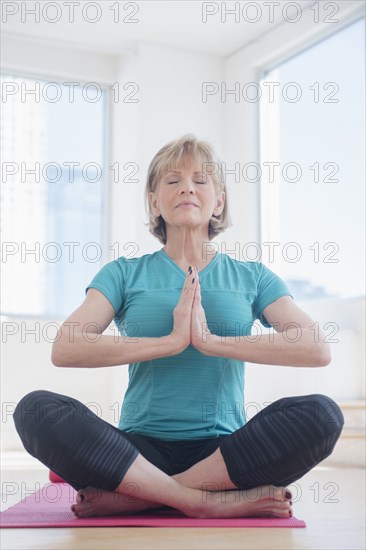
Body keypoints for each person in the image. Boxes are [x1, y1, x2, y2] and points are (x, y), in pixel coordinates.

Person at [13, 134, 344, 519]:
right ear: (154, 202)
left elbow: (315, 348)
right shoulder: (123, 273)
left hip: (225, 454)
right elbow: (66, 347)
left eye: (201, 180)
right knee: (36, 410)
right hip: (136, 453)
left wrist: (210, 341)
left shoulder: (252, 276)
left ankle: (146, 496)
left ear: (218, 201)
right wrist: (170, 341)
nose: (187, 187)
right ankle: (201, 501)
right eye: (172, 181)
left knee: (323, 415)